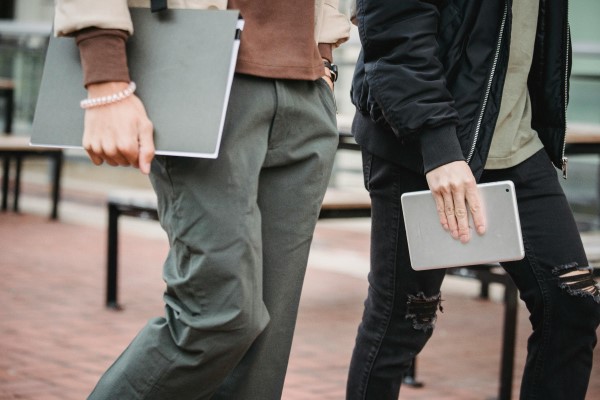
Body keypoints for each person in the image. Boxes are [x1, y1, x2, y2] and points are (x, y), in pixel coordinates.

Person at [54, 0, 350, 398]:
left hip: (306, 84)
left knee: (263, 357)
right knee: (218, 317)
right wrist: (105, 74)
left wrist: (324, 56)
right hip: (202, 67)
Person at [346, 0, 600, 399]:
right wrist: (438, 146)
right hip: (421, 144)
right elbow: (395, 28)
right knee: (404, 318)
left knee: (572, 304)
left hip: (516, 142)